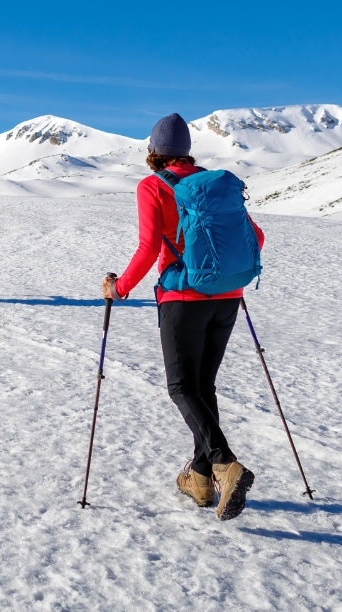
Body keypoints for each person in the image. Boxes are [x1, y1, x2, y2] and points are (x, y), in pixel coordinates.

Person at [103, 112, 264, 521]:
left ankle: (225, 463)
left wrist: (118, 288)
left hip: (182, 295)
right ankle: (200, 476)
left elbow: (147, 248)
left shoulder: (153, 186)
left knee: (181, 386)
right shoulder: (213, 186)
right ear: (187, 152)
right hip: (227, 295)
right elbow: (256, 237)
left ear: (153, 152)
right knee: (201, 386)